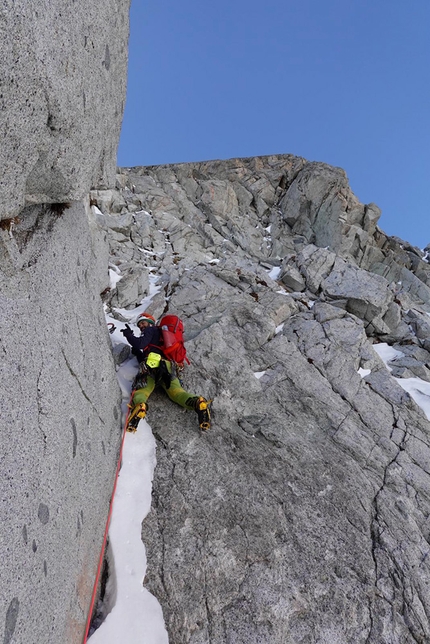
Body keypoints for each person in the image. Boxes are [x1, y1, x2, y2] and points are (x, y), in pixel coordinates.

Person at [121, 312, 211, 433]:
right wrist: (138, 353)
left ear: (150, 322)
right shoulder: (162, 335)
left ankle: (140, 406)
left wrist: (128, 335)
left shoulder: (151, 329)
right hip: (168, 367)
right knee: (177, 393)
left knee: (143, 390)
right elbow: (148, 350)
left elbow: (140, 343)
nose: (141, 326)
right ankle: (198, 402)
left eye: (142, 323)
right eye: (139, 325)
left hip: (151, 365)